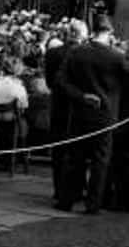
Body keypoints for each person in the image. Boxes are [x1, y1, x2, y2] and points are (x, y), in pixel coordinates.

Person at [58, 15, 129, 214]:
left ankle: (66, 201)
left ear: (92, 30)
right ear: (110, 32)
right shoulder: (116, 57)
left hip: (79, 113)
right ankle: (93, 204)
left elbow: (61, 81)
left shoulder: (76, 52)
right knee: (100, 161)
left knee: (74, 159)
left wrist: (81, 96)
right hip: (106, 116)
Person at [44, 19, 88, 206]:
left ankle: (59, 189)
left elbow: (48, 82)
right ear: (83, 35)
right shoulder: (85, 53)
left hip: (58, 105)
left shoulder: (53, 53)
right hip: (78, 106)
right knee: (77, 150)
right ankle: (75, 190)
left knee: (59, 150)